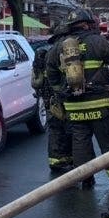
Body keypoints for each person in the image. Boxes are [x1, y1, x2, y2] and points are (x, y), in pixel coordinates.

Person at [46, 8, 109, 189]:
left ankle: (85, 179)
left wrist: (60, 92)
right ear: (87, 24)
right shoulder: (99, 42)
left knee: (80, 144)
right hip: (100, 103)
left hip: (74, 107)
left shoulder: (58, 47)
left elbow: (51, 73)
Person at [32, 23, 71, 173]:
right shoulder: (61, 52)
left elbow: (38, 81)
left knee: (55, 129)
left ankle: (58, 160)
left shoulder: (45, 53)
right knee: (63, 128)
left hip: (48, 97)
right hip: (60, 96)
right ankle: (62, 160)